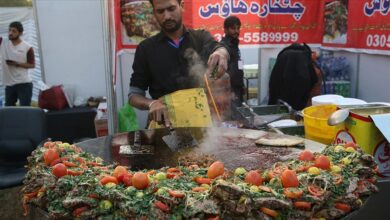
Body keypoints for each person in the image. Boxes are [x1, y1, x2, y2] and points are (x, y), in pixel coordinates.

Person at [129, 0, 230, 127]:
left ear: (181, 6)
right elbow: (134, 95)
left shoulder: (200, 37)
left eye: (171, 9)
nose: (166, 16)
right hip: (165, 127)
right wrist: (152, 104)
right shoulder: (146, 49)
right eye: (160, 11)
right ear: (154, 12)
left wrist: (222, 53)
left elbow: (218, 48)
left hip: (202, 126)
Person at [0, 21, 35, 106]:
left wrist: (17, 64)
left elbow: (32, 65)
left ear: (20, 33)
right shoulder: (3, 42)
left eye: (14, 31)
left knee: (25, 110)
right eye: (9, 30)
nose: (10, 33)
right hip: (9, 84)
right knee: (9, 110)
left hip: (24, 84)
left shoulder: (28, 47)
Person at [220, 16, 245, 118]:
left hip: (237, 89)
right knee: (232, 120)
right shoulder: (223, 47)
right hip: (228, 91)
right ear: (225, 29)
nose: (236, 31)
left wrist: (241, 85)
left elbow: (237, 67)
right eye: (233, 28)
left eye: (238, 28)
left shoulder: (234, 45)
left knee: (238, 118)